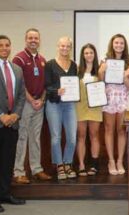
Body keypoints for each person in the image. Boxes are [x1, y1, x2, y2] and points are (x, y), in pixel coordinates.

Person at [0, 35, 26, 213]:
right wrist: (1, 115)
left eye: (7, 45)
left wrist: (15, 114)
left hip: (12, 123)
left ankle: (4, 193)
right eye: (0, 45)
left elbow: (22, 95)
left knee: (7, 160)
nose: (4, 48)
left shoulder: (17, 69)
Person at [12, 28, 51, 184]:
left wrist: (41, 99)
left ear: (39, 40)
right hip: (25, 104)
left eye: (36, 38)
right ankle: (18, 171)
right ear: (25, 39)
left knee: (35, 137)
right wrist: (30, 100)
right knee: (22, 137)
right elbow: (18, 84)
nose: (33, 40)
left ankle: (36, 169)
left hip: (39, 104)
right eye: (30, 38)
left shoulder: (42, 60)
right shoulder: (18, 59)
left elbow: (46, 83)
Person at [98, 34, 129, 175]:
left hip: (123, 98)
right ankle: (111, 161)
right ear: (112, 44)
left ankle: (120, 161)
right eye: (116, 43)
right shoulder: (104, 61)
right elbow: (100, 83)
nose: (119, 45)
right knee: (108, 129)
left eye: (121, 43)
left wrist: (124, 77)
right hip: (109, 98)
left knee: (121, 130)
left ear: (125, 46)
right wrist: (101, 72)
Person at [44, 36, 78, 180]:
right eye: (62, 46)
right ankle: (59, 165)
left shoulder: (74, 65)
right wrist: (55, 91)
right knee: (56, 137)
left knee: (72, 137)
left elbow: (74, 84)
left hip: (69, 105)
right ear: (58, 46)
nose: (64, 48)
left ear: (70, 48)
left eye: (67, 46)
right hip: (54, 104)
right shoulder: (50, 64)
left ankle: (68, 162)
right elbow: (46, 86)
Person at [76, 43, 102, 176]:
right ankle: (81, 165)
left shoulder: (100, 70)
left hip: (95, 107)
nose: (89, 55)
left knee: (94, 136)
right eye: (86, 53)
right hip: (80, 107)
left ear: (95, 54)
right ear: (82, 55)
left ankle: (94, 164)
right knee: (81, 136)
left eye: (91, 52)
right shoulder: (77, 70)